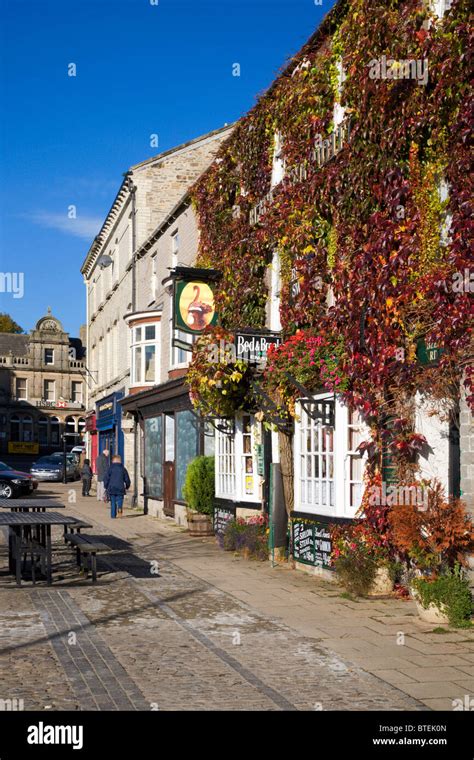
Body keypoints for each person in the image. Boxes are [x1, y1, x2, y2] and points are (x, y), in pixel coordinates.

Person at [103, 455, 131, 519]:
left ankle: (113, 515)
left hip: (112, 488)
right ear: (120, 461)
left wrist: (106, 486)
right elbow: (127, 479)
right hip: (120, 488)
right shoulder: (123, 469)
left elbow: (106, 478)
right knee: (120, 500)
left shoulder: (110, 469)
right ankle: (120, 511)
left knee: (113, 502)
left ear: (113, 461)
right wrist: (127, 486)